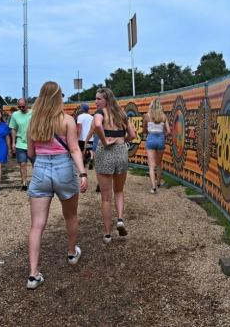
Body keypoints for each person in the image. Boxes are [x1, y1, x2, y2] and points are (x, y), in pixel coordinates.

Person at [25, 81, 88, 289]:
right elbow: (74, 150)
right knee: (70, 215)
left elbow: (31, 154)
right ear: (59, 97)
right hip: (63, 168)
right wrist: (83, 173)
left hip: (41, 169)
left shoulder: (34, 121)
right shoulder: (67, 120)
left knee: (37, 225)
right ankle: (71, 253)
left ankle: (33, 274)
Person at [93, 87, 136, 244]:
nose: (95, 101)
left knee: (105, 197)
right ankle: (119, 219)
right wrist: (121, 142)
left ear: (106, 100)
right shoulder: (122, 114)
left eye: (98, 99)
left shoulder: (100, 113)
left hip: (105, 152)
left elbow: (98, 125)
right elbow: (132, 135)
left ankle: (107, 234)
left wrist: (104, 141)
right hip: (121, 152)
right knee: (119, 191)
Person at [143, 98, 171, 193]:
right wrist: (163, 136)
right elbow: (169, 131)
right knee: (158, 163)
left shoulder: (147, 116)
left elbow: (144, 130)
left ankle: (153, 187)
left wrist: (149, 132)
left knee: (151, 165)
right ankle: (158, 183)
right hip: (160, 140)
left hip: (150, 139)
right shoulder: (163, 116)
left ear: (151, 106)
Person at [9, 98, 33, 190]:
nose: (21, 108)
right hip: (20, 143)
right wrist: (13, 143)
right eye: (19, 107)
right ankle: (24, 183)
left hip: (32, 143)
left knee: (36, 164)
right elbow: (13, 129)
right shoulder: (15, 115)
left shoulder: (33, 113)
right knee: (22, 164)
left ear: (27, 104)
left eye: (23, 106)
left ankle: (36, 182)